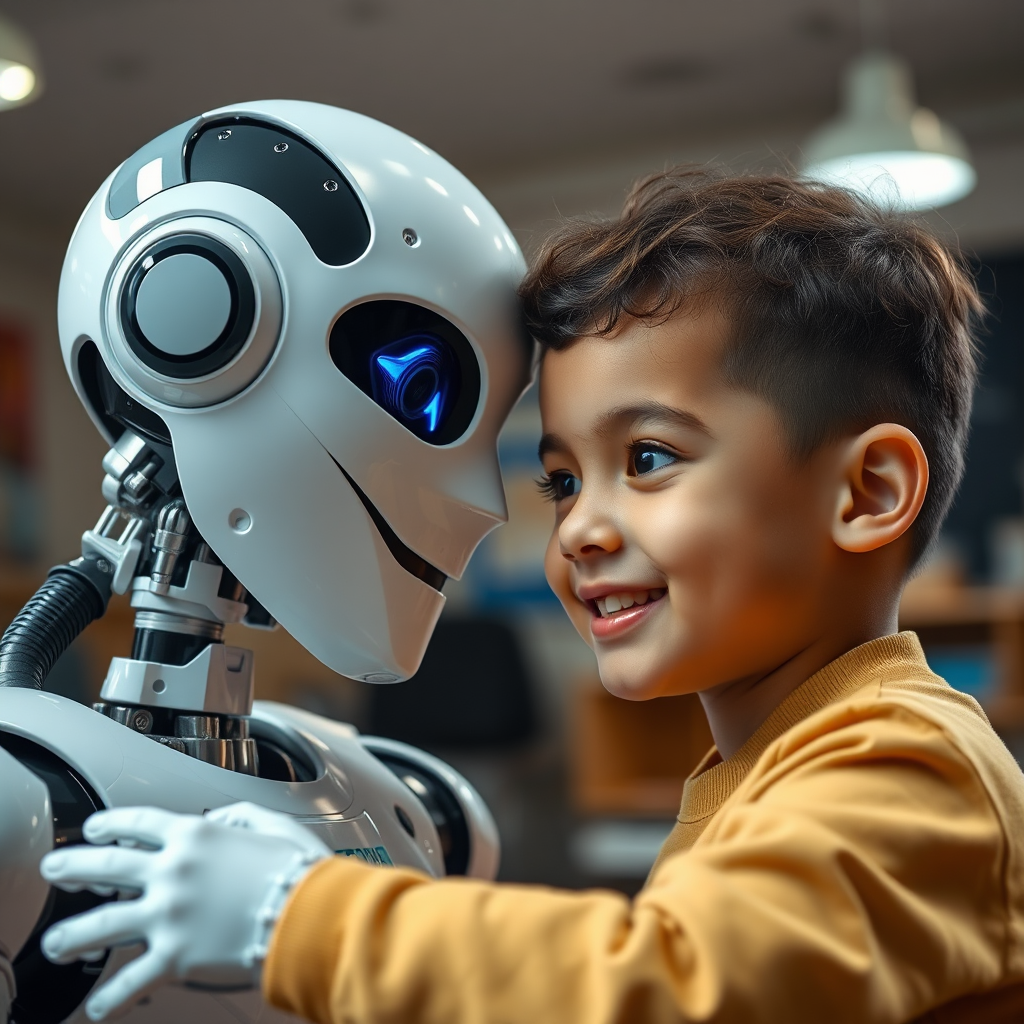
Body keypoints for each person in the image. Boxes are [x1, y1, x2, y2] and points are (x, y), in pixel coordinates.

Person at [40, 169, 1024, 1024]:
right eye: (560, 480)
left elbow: (678, 985)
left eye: (647, 457)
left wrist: (297, 917)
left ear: (866, 493)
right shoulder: (773, 763)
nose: (579, 530)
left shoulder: (906, 762)